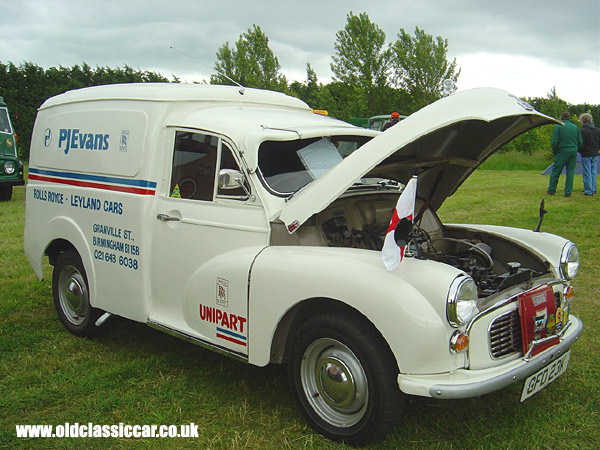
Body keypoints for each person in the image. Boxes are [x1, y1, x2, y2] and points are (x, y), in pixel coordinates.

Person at [547, 112, 582, 197]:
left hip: (562, 151)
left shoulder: (558, 126)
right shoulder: (575, 127)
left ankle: (551, 190)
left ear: (561, 118)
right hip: (573, 151)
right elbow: (580, 141)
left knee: (556, 171)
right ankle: (568, 192)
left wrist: (555, 152)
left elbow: (554, 141)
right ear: (569, 118)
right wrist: (576, 149)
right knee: (570, 173)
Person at [578, 113, 600, 196]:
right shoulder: (597, 130)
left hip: (586, 153)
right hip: (595, 153)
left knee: (587, 172)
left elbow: (581, 143)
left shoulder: (583, 131)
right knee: (593, 172)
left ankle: (588, 190)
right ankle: (593, 188)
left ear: (582, 121)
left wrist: (580, 151)